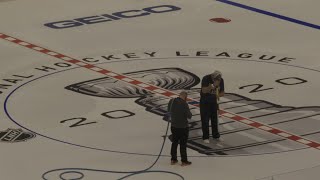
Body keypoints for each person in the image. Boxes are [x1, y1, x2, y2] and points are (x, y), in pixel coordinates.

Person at [168, 91, 192, 166]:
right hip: (183, 127)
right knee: (183, 144)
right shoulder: (184, 104)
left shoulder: (171, 101)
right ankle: (184, 161)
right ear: (185, 97)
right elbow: (189, 116)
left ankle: (173, 159)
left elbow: (169, 111)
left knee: (174, 143)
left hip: (174, 126)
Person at [200, 70, 224, 144]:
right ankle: (206, 137)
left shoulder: (221, 80)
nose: (218, 81)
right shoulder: (206, 78)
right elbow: (203, 91)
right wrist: (212, 86)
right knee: (205, 121)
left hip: (214, 103)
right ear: (213, 78)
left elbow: (222, 93)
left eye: (219, 80)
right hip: (205, 103)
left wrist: (217, 95)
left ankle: (216, 136)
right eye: (216, 80)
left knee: (215, 120)